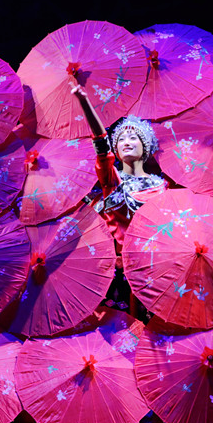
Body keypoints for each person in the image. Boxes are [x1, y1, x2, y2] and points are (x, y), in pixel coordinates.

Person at [70, 83, 168, 319]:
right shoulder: (112, 181)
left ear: (145, 146)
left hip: (155, 271)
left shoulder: (163, 188)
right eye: (121, 138)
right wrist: (85, 103)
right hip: (120, 275)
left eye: (133, 137)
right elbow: (101, 147)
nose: (126, 141)